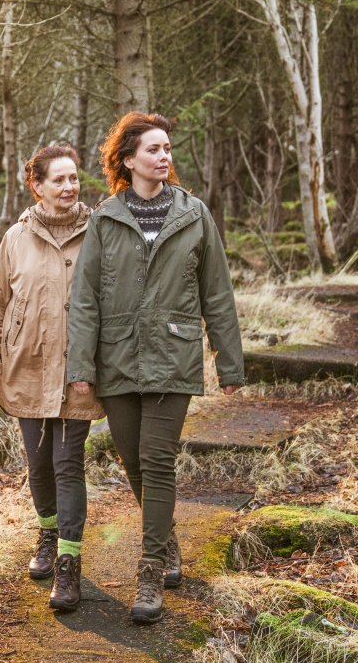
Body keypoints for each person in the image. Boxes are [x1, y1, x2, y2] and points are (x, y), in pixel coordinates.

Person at [66, 112, 243, 625]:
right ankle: (166, 539)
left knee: (157, 458)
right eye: (153, 149)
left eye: (168, 148)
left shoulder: (194, 215)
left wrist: (229, 366)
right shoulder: (105, 218)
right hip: (117, 357)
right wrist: (82, 365)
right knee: (133, 463)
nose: (164, 157)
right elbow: (85, 301)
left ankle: (148, 568)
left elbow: (218, 293)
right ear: (128, 159)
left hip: (173, 354)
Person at [0, 145, 104, 613]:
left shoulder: (100, 232)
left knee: (68, 464)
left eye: (74, 179)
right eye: (59, 180)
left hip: (79, 374)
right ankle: (47, 534)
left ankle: (69, 564)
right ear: (38, 186)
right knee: (38, 465)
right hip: (25, 369)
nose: (70, 187)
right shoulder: (15, 238)